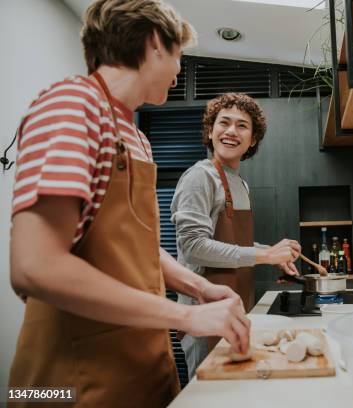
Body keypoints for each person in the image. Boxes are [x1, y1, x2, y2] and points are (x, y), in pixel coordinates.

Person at [8, 1, 250, 406]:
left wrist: (199, 287)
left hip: (144, 371)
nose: (179, 71)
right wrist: (185, 316)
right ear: (156, 43)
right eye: (178, 56)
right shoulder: (72, 104)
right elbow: (36, 266)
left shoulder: (136, 136)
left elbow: (134, 250)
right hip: (75, 381)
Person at [171, 92, 301, 379]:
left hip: (236, 306)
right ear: (210, 130)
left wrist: (272, 253)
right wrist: (264, 255)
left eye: (242, 125)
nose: (231, 131)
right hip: (203, 313)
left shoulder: (240, 183)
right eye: (224, 123)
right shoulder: (199, 177)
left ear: (253, 139)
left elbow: (234, 245)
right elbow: (193, 246)